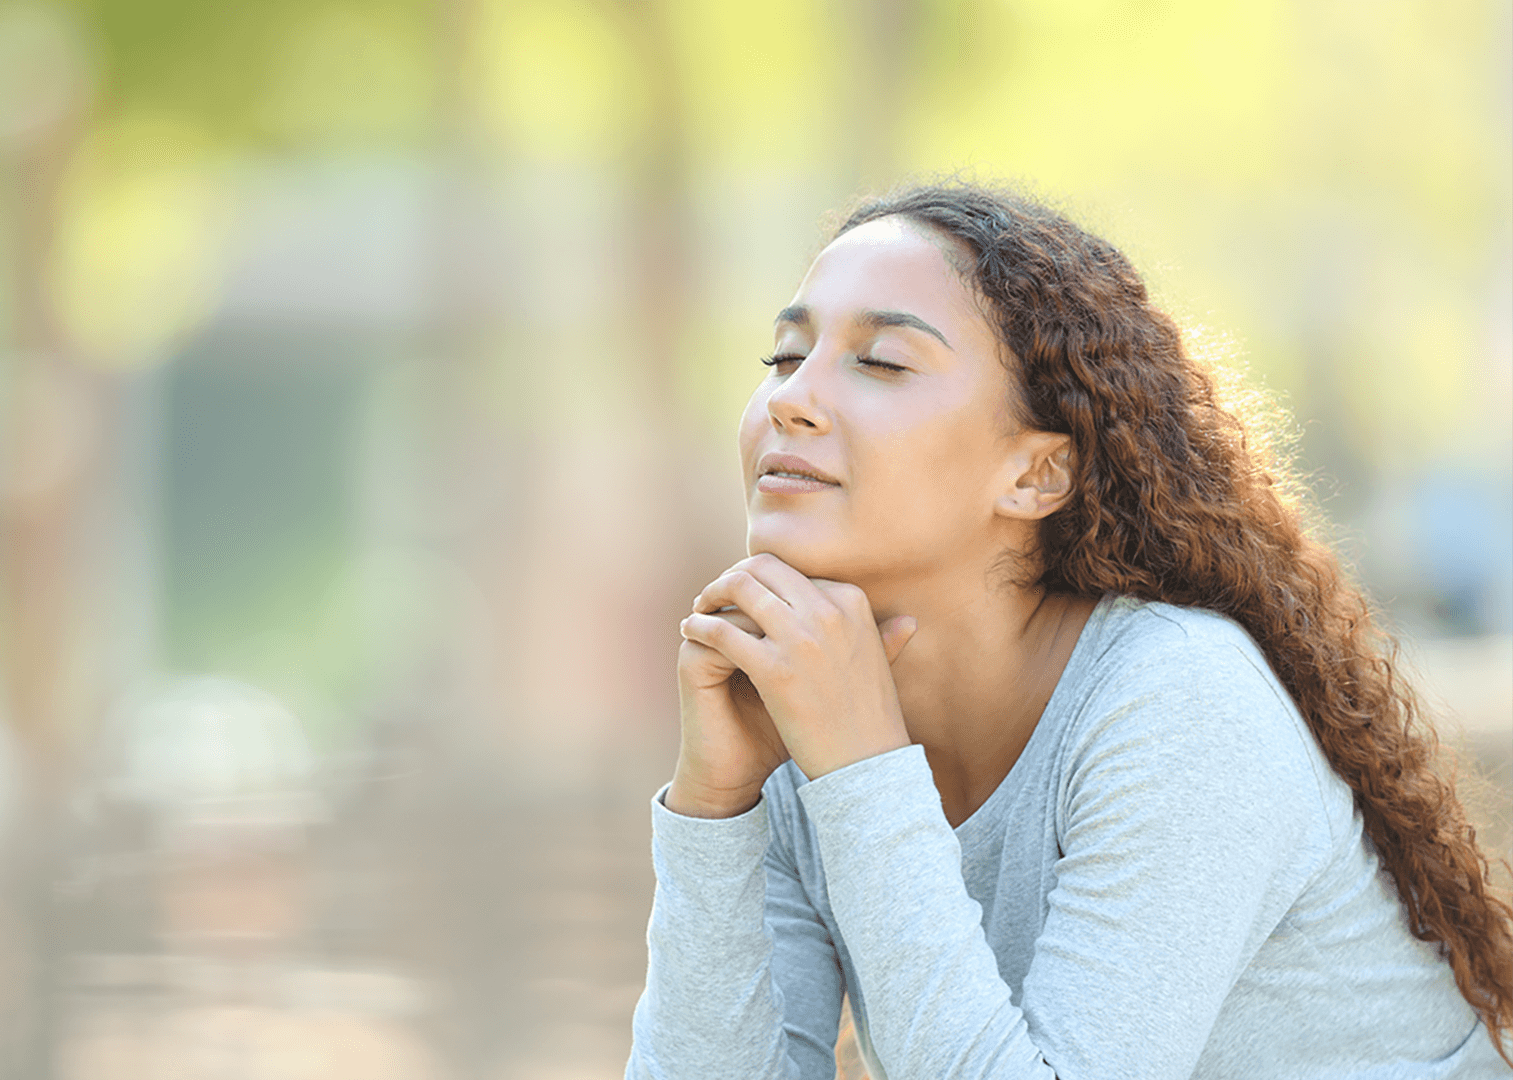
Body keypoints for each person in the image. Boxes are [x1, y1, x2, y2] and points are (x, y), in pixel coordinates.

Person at [624, 183, 1513, 1079]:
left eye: (882, 362)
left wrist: (861, 777)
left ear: (1038, 474)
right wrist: (715, 811)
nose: (792, 399)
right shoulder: (808, 713)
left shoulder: (1179, 702)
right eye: (784, 356)